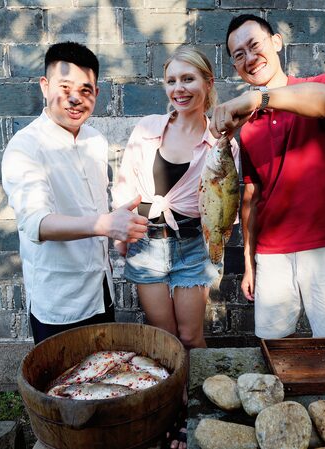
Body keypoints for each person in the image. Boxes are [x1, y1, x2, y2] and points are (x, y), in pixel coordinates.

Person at [112, 46, 239, 449]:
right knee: (163, 336)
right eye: (171, 81)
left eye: (188, 79)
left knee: (190, 335)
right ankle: (167, 408)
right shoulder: (147, 128)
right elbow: (128, 185)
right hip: (148, 243)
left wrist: (221, 236)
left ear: (207, 83)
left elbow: (225, 198)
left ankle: (193, 407)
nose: (179, 89)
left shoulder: (219, 142)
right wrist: (122, 229)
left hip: (191, 245)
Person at [210, 14, 325, 339]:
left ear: (276, 42)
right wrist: (250, 261)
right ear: (235, 66)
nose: (249, 58)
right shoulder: (246, 126)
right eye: (239, 54)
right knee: (272, 350)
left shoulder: (321, 84)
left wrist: (259, 97)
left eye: (255, 45)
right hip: (272, 254)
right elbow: (252, 196)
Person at [2, 42, 148, 345]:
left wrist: (120, 229)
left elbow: (96, 205)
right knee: (62, 387)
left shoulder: (95, 140)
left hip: (100, 288)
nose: (75, 98)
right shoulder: (25, 146)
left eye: (86, 90)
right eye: (65, 86)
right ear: (45, 86)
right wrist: (105, 225)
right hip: (60, 301)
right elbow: (36, 224)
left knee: (103, 377)